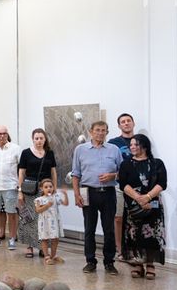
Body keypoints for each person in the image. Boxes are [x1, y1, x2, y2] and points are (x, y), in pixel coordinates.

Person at [72, 120, 123, 275]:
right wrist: (77, 194)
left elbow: (123, 172)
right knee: (89, 229)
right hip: (88, 192)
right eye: (97, 130)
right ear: (91, 132)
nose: (100, 133)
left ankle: (109, 262)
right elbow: (76, 174)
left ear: (107, 132)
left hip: (108, 193)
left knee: (109, 230)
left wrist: (112, 175)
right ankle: (90, 261)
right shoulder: (80, 150)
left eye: (103, 130)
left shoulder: (114, 150)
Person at [120, 134, 167, 280]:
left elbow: (162, 184)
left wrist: (147, 197)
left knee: (151, 235)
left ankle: (150, 264)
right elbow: (123, 184)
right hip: (133, 205)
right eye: (131, 145)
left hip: (152, 204)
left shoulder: (157, 163)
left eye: (136, 144)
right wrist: (138, 198)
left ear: (145, 146)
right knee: (134, 235)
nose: (132, 147)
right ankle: (137, 263)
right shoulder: (126, 164)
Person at [16, 129, 58, 258]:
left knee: (45, 218)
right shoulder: (26, 153)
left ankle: (42, 247)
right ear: (33, 139)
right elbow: (21, 173)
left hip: (46, 189)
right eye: (36, 138)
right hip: (30, 190)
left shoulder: (49, 153)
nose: (39, 141)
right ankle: (29, 246)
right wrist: (20, 191)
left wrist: (55, 188)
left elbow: (53, 172)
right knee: (29, 218)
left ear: (45, 139)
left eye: (41, 138)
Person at [109, 113, 137, 261]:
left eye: (128, 121)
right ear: (119, 126)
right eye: (123, 122)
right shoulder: (113, 143)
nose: (126, 123)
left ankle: (135, 249)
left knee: (135, 218)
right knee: (118, 218)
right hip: (119, 185)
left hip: (137, 186)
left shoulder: (140, 140)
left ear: (133, 123)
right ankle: (119, 250)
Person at [34, 178, 68, 265]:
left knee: (55, 238)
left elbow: (65, 203)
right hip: (44, 222)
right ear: (41, 188)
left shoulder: (55, 197)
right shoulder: (39, 199)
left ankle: (53, 255)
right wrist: (47, 205)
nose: (49, 188)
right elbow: (37, 210)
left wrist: (65, 194)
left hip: (54, 222)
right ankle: (46, 256)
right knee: (44, 238)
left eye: (50, 186)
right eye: (46, 187)